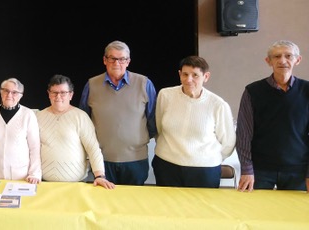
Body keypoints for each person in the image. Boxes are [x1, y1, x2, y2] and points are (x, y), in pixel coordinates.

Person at [78, 40, 157, 185]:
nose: (117, 63)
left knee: (133, 204)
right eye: (112, 58)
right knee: (104, 204)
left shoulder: (144, 84)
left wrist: (135, 141)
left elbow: (153, 120)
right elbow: (83, 122)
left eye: (122, 59)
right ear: (104, 60)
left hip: (136, 160)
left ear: (128, 62)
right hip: (101, 160)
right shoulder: (91, 85)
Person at [236, 40, 309, 192]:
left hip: (298, 170)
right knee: (256, 214)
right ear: (268, 61)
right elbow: (244, 134)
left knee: (294, 214)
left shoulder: (307, 91)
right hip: (259, 170)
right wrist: (246, 169)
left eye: (288, 56)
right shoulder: (252, 91)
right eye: (276, 57)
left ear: (298, 60)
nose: (282, 61)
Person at [153, 56, 236, 188]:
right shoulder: (165, 95)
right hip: (166, 165)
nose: (189, 79)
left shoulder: (218, 104)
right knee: (168, 208)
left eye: (195, 75)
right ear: (180, 75)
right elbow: (159, 128)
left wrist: (206, 158)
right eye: (185, 74)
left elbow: (228, 142)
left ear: (206, 77)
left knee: (200, 208)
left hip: (204, 170)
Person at [37, 75, 115, 189]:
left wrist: (99, 176)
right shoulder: (39, 116)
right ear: (49, 94)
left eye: (63, 92)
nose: (58, 96)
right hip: (43, 183)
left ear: (71, 95)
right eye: (54, 92)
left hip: (76, 184)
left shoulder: (81, 117)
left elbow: (93, 148)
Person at [0, 78, 41, 184]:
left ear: (21, 95)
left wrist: (34, 174)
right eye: (6, 90)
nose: (9, 95)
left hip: (21, 177)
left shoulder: (28, 115)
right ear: (1, 92)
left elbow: (34, 148)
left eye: (15, 92)